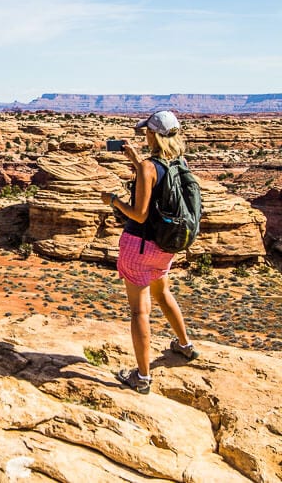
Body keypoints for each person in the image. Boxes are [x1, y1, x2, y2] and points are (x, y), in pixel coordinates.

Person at [101, 110, 199, 394]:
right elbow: (158, 183)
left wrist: (114, 201)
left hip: (139, 246)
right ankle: (184, 346)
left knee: (139, 311)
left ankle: (141, 378)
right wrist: (135, 160)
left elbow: (140, 214)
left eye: (147, 131)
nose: (144, 134)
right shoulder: (180, 163)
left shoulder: (148, 166)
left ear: (153, 135)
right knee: (162, 293)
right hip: (165, 246)